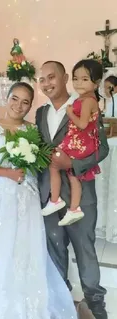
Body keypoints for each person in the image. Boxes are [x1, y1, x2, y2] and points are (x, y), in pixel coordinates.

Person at [0, 82, 79, 319]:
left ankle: (28, 296)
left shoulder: (33, 131)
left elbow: (40, 163)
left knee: (27, 244)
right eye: (15, 98)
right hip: (3, 196)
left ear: (29, 106)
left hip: (28, 195)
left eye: (25, 102)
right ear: (7, 98)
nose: (19, 105)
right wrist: (8, 173)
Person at [36, 61, 109, 319]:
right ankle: (60, 296)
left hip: (80, 195)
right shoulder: (40, 113)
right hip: (50, 195)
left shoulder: (84, 105)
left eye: (52, 77)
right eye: (42, 79)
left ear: (66, 77)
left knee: (84, 249)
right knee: (54, 247)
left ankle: (94, 301)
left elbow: (102, 150)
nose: (47, 83)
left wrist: (74, 164)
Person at [42, 59, 102, 226]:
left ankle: (62, 203)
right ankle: (68, 206)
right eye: (77, 79)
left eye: (85, 79)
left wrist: (70, 114)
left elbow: (85, 127)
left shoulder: (86, 101)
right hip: (76, 143)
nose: (79, 83)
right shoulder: (41, 111)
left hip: (80, 144)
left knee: (64, 168)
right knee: (69, 173)